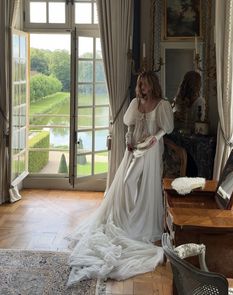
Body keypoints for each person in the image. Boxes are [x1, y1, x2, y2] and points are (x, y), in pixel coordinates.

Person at [66, 71, 174, 286]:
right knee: (127, 182)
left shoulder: (161, 104)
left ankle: (139, 220)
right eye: (140, 85)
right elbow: (130, 125)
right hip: (133, 148)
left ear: (152, 85)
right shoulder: (136, 103)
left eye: (144, 85)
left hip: (150, 151)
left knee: (141, 184)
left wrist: (155, 138)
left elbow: (166, 128)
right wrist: (127, 140)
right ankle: (127, 218)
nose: (142, 88)